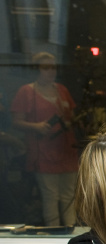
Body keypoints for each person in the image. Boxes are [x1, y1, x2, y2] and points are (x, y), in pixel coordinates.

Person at [10, 51, 80, 226]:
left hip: (66, 149)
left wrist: (71, 122)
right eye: (46, 68)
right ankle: (54, 234)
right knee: (50, 196)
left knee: (69, 195)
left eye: (53, 67)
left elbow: (72, 116)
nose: (51, 71)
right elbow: (16, 122)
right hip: (43, 152)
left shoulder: (62, 90)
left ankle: (70, 232)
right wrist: (36, 126)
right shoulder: (26, 91)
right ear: (36, 70)